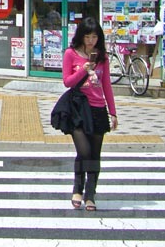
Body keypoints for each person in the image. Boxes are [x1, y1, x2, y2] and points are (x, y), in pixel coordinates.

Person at [62, 16, 117, 212]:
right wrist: (83, 71)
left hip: (97, 108)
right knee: (83, 152)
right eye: (87, 36)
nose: (90, 41)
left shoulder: (101, 57)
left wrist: (113, 112)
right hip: (77, 108)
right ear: (81, 36)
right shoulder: (71, 53)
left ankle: (90, 194)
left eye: (94, 36)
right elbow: (67, 81)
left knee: (94, 155)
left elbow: (107, 85)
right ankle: (77, 188)